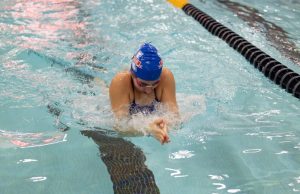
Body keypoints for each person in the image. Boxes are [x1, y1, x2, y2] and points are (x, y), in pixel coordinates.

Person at [109, 43, 178, 144]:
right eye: (142, 84)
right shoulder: (121, 81)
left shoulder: (165, 76)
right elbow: (119, 126)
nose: (148, 90)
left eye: (155, 83)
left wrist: (165, 125)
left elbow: (175, 115)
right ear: (132, 74)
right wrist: (147, 128)